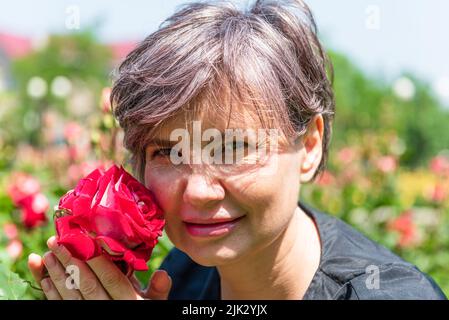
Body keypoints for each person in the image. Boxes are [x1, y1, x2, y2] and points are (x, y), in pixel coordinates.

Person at [28, 0, 446, 300]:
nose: (197, 192)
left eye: (232, 148)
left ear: (310, 147)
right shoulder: (182, 276)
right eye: (168, 153)